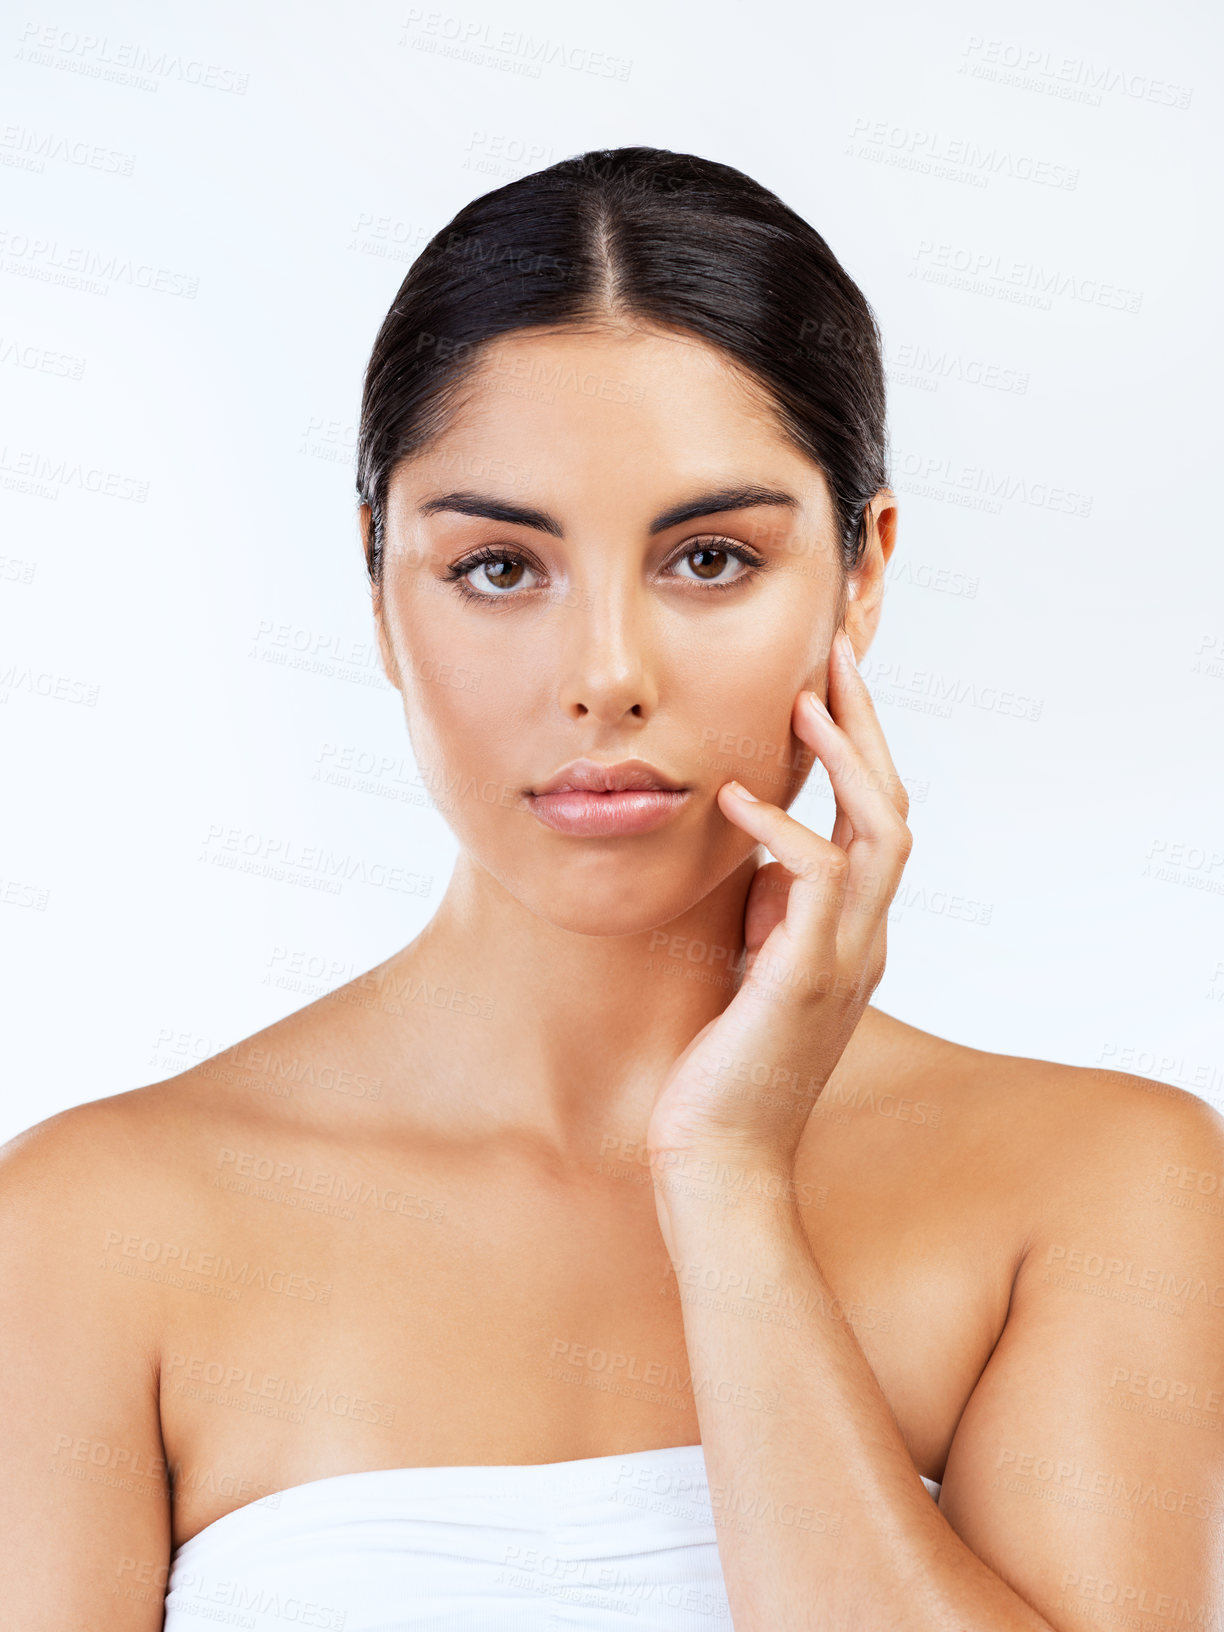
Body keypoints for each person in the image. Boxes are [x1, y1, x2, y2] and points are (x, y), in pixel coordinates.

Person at [2, 146, 1220, 1631]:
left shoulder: (1100, 1185)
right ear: (382, 589)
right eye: (502, 569)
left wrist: (728, 1183)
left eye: (709, 558)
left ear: (864, 573)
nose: (604, 679)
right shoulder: (89, 1224)